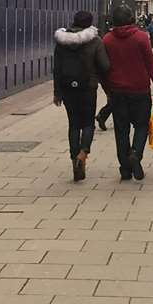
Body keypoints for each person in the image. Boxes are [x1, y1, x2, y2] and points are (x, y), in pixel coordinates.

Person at [101, 2, 153, 181]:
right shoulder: (141, 38)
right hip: (139, 90)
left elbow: (103, 68)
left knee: (121, 130)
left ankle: (124, 168)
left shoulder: (107, 40)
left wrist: (107, 89)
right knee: (141, 126)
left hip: (117, 91)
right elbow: (151, 65)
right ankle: (136, 154)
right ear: (131, 18)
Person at [52, 10, 109, 183]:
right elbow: (105, 66)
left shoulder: (61, 42)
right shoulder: (95, 41)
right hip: (88, 87)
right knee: (87, 123)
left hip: (67, 88)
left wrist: (57, 92)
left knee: (73, 124)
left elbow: (57, 69)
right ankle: (83, 153)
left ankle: (73, 158)